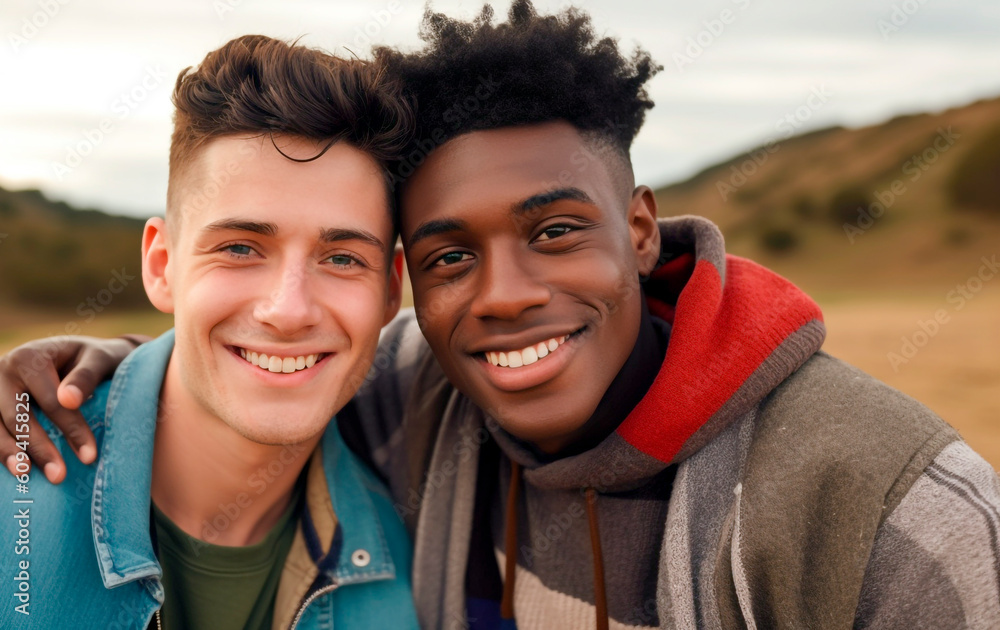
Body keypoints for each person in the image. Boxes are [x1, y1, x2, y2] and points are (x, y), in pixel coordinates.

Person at [4, 3, 1000, 629]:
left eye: (557, 231)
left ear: (641, 228)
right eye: (448, 256)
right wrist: (102, 370)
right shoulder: (414, 398)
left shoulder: (892, 511)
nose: (504, 293)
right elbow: (261, 358)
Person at [0, 35, 419, 629]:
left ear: (389, 292)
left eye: (343, 258)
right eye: (242, 248)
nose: (289, 309)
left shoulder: (407, 570)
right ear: (161, 265)